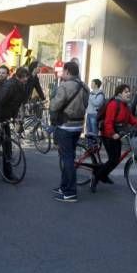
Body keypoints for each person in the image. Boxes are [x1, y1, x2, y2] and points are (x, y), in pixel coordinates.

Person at [91, 84, 137, 193]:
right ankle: (96, 177)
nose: (129, 93)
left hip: (118, 135)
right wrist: (112, 133)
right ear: (119, 93)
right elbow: (108, 121)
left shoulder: (125, 106)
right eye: (126, 91)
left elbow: (131, 119)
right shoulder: (114, 104)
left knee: (116, 160)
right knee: (113, 159)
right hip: (108, 135)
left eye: (129, 91)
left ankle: (103, 175)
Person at [50, 61, 89, 203]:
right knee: (68, 157)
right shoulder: (85, 86)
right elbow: (86, 103)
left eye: (63, 71)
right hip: (78, 126)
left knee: (67, 159)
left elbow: (55, 105)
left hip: (65, 126)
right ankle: (64, 187)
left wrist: (51, 102)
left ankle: (71, 192)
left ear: (67, 71)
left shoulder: (64, 86)